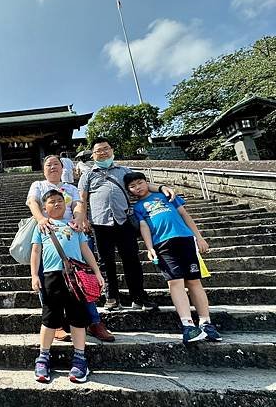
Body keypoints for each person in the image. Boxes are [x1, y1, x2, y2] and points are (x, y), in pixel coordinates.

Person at [75, 137, 175, 311]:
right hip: (100, 223)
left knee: (132, 260)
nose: (103, 152)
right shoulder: (88, 175)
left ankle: (138, 297)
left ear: (112, 150)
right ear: (93, 155)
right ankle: (112, 297)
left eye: (106, 149)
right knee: (106, 262)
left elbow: (141, 185)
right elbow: (82, 199)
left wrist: (161, 188)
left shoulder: (124, 170)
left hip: (124, 220)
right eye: (99, 150)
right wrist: (83, 219)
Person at [125, 172, 222, 344]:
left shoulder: (164, 195)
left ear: (146, 182)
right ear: (129, 191)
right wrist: (149, 248)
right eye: (132, 186)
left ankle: (206, 323)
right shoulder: (138, 208)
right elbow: (143, 227)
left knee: (194, 281)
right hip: (162, 244)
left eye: (140, 183)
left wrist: (198, 237)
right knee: (175, 281)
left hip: (185, 239)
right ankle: (188, 325)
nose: (137, 187)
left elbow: (184, 214)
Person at [26, 155, 115, 342]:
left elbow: (78, 205)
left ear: (63, 168)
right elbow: (32, 202)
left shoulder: (71, 188)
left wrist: (79, 218)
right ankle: (55, 323)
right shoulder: (38, 185)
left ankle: (94, 321)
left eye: (56, 164)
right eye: (48, 165)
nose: (52, 167)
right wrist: (41, 219)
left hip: (73, 234)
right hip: (47, 231)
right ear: (43, 169)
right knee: (46, 282)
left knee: (84, 279)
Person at [31, 189, 105, 383]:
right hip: (51, 276)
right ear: (44, 208)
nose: (57, 204)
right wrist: (34, 276)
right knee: (49, 318)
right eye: (52, 202)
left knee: (78, 317)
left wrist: (97, 272)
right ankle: (43, 356)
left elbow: (85, 249)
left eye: (60, 201)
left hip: (75, 278)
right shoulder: (42, 226)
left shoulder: (74, 225)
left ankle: (80, 358)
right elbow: (36, 252)